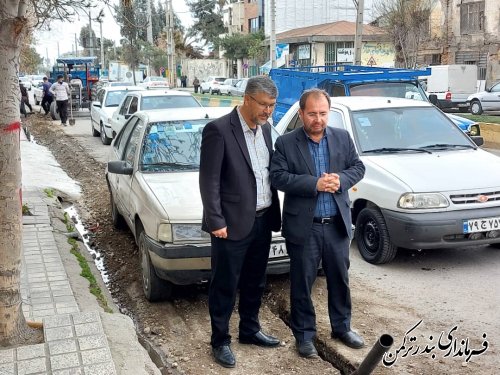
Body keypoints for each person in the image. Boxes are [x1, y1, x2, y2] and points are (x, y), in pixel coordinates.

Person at [270, 88, 366, 358]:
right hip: (305, 227)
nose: (318, 119)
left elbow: (358, 167)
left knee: (340, 279)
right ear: (301, 114)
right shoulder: (287, 143)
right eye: (312, 114)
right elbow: (278, 177)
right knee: (302, 283)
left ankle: (342, 328)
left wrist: (341, 180)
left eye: (323, 113)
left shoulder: (342, 138)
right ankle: (304, 335)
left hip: (336, 224)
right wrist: (315, 184)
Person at [199, 76, 282, 369]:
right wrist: (215, 220)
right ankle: (220, 340)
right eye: (263, 104)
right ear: (247, 99)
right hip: (230, 225)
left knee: (255, 281)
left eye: (271, 105)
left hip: (262, 220)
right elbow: (208, 181)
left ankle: (249, 329)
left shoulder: (267, 130)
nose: (268, 111)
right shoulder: (219, 130)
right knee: (224, 284)